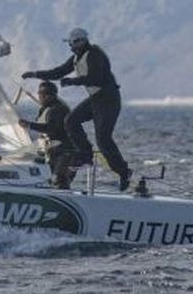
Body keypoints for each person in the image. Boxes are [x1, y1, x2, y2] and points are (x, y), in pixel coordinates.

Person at [22, 26, 133, 191]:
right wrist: (35, 74)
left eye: (71, 44)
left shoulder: (95, 54)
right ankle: (85, 155)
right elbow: (58, 72)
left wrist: (73, 81)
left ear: (79, 41)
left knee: (103, 139)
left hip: (108, 100)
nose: (70, 47)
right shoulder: (76, 57)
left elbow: (96, 78)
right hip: (96, 99)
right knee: (71, 120)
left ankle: (124, 172)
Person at [19, 80, 77, 188]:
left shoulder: (58, 109)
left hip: (66, 153)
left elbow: (52, 128)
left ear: (50, 96)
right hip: (53, 152)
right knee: (49, 180)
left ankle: (64, 200)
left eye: (43, 95)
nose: (41, 98)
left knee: (58, 179)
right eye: (40, 95)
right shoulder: (46, 109)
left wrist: (29, 125)